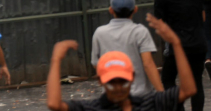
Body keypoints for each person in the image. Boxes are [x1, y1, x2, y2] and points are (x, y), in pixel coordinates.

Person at [47, 14, 197, 111]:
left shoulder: (149, 103)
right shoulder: (94, 108)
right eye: (112, 82)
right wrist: (55, 60)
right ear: (101, 81)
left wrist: (176, 43)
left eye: (123, 82)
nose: (118, 88)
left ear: (132, 77)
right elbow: (54, 104)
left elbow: (188, 90)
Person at [155, 0, 208, 110]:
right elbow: (203, 17)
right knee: (197, 81)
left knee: (168, 79)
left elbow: (159, 25)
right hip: (198, 44)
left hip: (177, 48)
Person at [90, 0, 163, 97]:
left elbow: (96, 64)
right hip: (140, 97)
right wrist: (162, 93)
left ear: (111, 10)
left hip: (112, 96)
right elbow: (148, 64)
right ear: (135, 9)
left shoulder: (99, 33)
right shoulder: (140, 31)